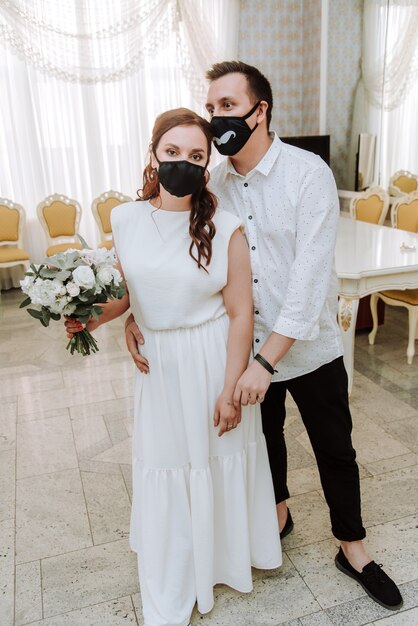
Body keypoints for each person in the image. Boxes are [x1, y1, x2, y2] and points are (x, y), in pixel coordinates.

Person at [124, 63, 403, 612]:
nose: (216, 118)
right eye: (212, 108)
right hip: (240, 346)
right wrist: (139, 311)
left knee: (335, 448)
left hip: (304, 346)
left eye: (227, 106)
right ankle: (276, 515)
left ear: (260, 111)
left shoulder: (307, 173)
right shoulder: (214, 181)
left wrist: (267, 362)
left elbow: (308, 279)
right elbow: (178, 257)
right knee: (262, 443)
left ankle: (354, 549)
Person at [66, 108, 281, 626]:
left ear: (207, 166)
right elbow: (127, 291)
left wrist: (231, 389)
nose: (182, 163)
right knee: (167, 462)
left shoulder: (225, 227)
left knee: (214, 456)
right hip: (160, 367)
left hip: (211, 358)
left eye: (196, 156)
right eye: (173, 152)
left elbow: (238, 315)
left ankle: (222, 558)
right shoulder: (124, 219)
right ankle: (175, 570)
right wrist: (93, 319)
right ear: (153, 154)